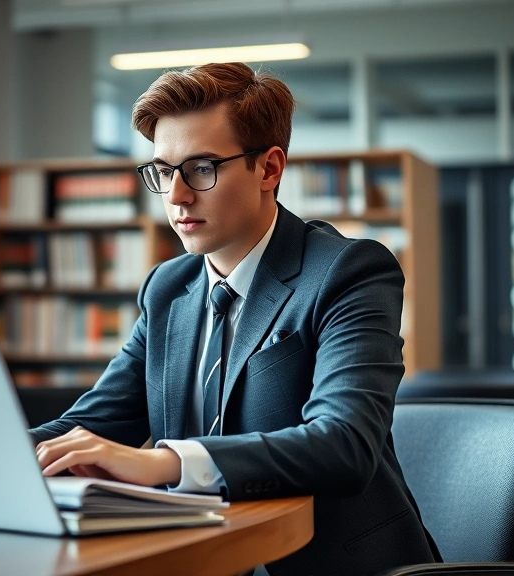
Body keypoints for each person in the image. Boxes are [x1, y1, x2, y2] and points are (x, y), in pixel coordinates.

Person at [31, 62, 440, 575]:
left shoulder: (348, 271)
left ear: (268, 169)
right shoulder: (167, 289)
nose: (176, 197)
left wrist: (167, 461)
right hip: (199, 558)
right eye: (163, 171)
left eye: (201, 168)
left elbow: (345, 444)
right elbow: (89, 424)